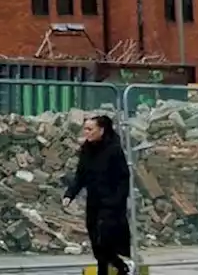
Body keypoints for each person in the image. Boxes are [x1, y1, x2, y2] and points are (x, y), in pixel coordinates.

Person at [63, 114, 132, 275]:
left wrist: (117, 201)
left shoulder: (113, 149)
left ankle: (115, 267)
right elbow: (80, 175)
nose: (86, 132)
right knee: (96, 241)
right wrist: (70, 194)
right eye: (85, 129)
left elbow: (124, 178)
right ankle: (119, 266)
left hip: (111, 203)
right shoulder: (86, 150)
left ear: (101, 130)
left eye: (90, 129)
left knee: (104, 239)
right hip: (94, 201)